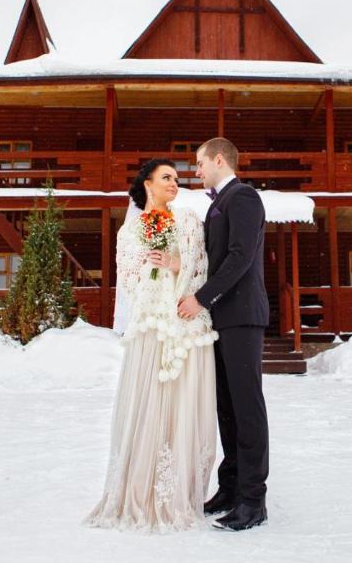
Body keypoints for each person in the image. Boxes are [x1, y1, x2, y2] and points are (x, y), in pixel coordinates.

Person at [84, 159, 217, 533]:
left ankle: (184, 492)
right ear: (147, 184)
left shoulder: (189, 220)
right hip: (152, 326)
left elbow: (201, 267)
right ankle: (142, 491)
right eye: (167, 178)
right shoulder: (129, 231)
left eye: (176, 178)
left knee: (185, 405)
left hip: (186, 321)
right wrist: (151, 270)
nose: (175, 183)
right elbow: (128, 280)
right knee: (151, 403)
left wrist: (176, 262)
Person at [177, 138, 270, 532]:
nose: (195, 171)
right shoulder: (217, 203)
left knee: (246, 409)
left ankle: (253, 499)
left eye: (199, 163)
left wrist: (201, 298)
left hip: (243, 318)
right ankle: (230, 488)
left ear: (219, 160)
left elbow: (239, 257)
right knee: (227, 408)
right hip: (221, 320)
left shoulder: (243, 197)